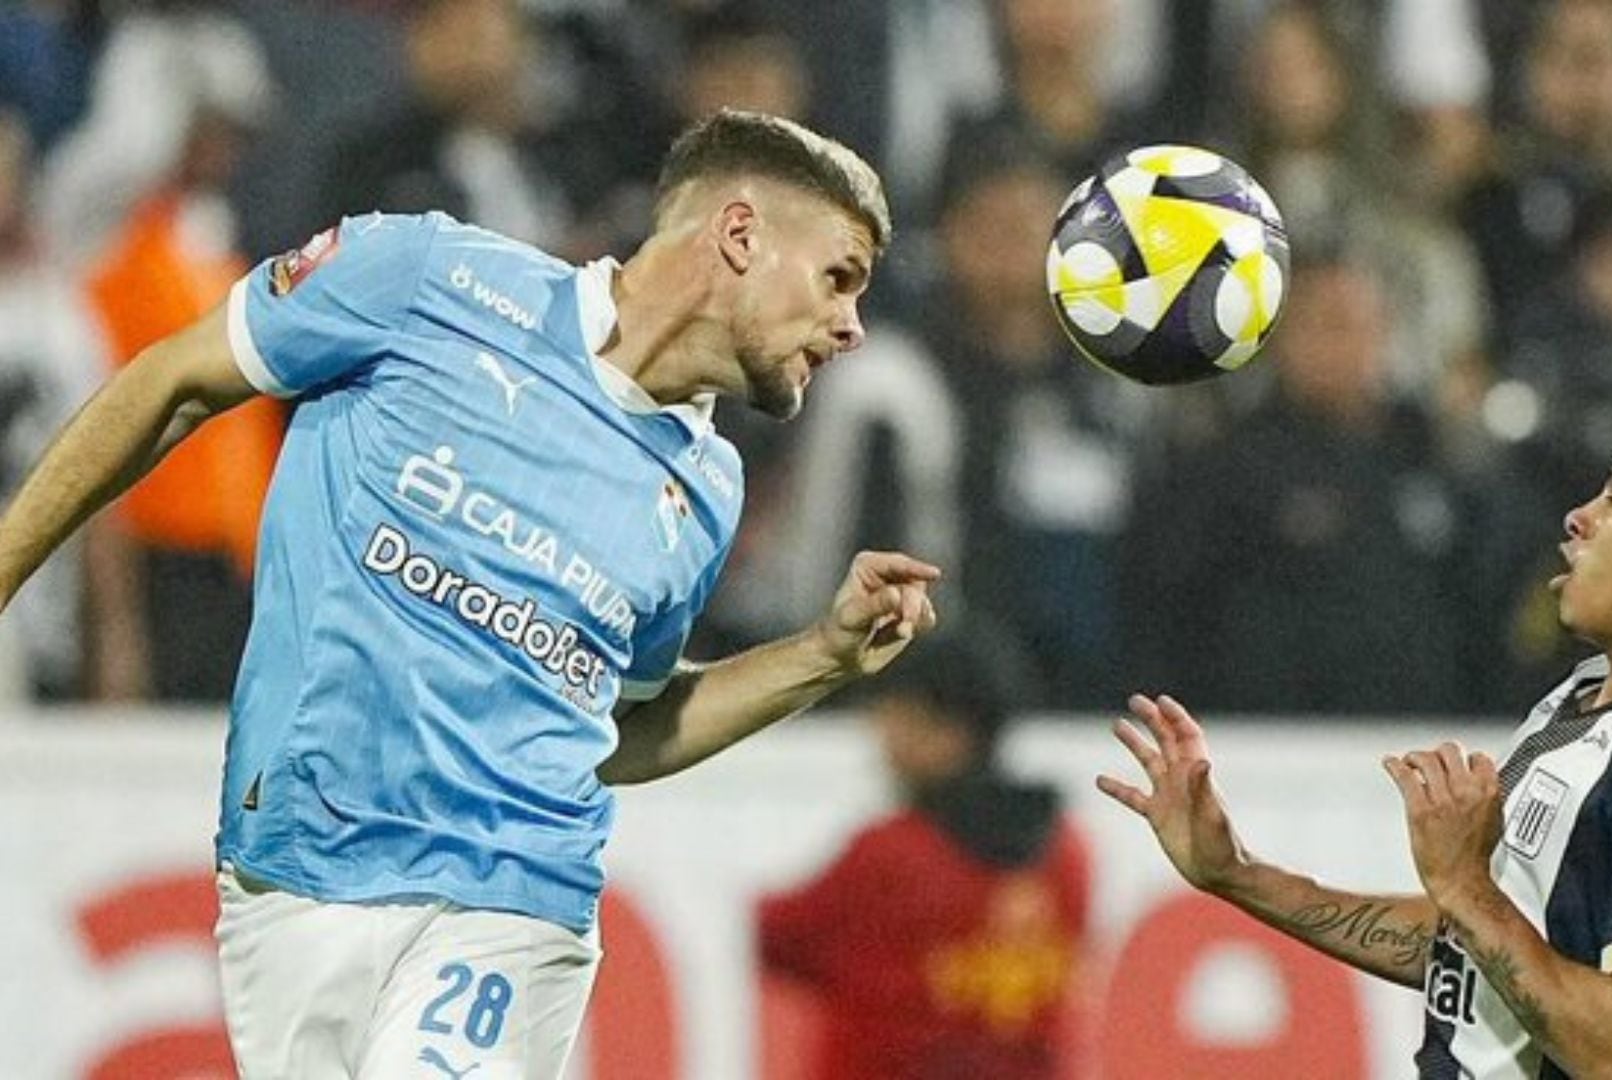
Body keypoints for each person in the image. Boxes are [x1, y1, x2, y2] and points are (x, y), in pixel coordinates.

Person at [0, 109, 940, 1078]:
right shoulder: (427, 282)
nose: (851, 325)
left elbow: (608, 731)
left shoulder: (705, 489)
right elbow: (174, 382)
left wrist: (819, 656)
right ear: (740, 235)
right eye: (839, 277)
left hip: (511, 896)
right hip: (292, 867)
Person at [1098, 410, 1612, 1077]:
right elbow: (1481, 953)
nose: (1578, 518)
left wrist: (1467, 887)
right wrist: (1238, 874)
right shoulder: (1592, 699)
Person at [758, 633, 1091, 1079]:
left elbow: (774, 938)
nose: (881, 732)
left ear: (949, 731)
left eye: (899, 716)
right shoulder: (1066, 853)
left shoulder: (891, 855)